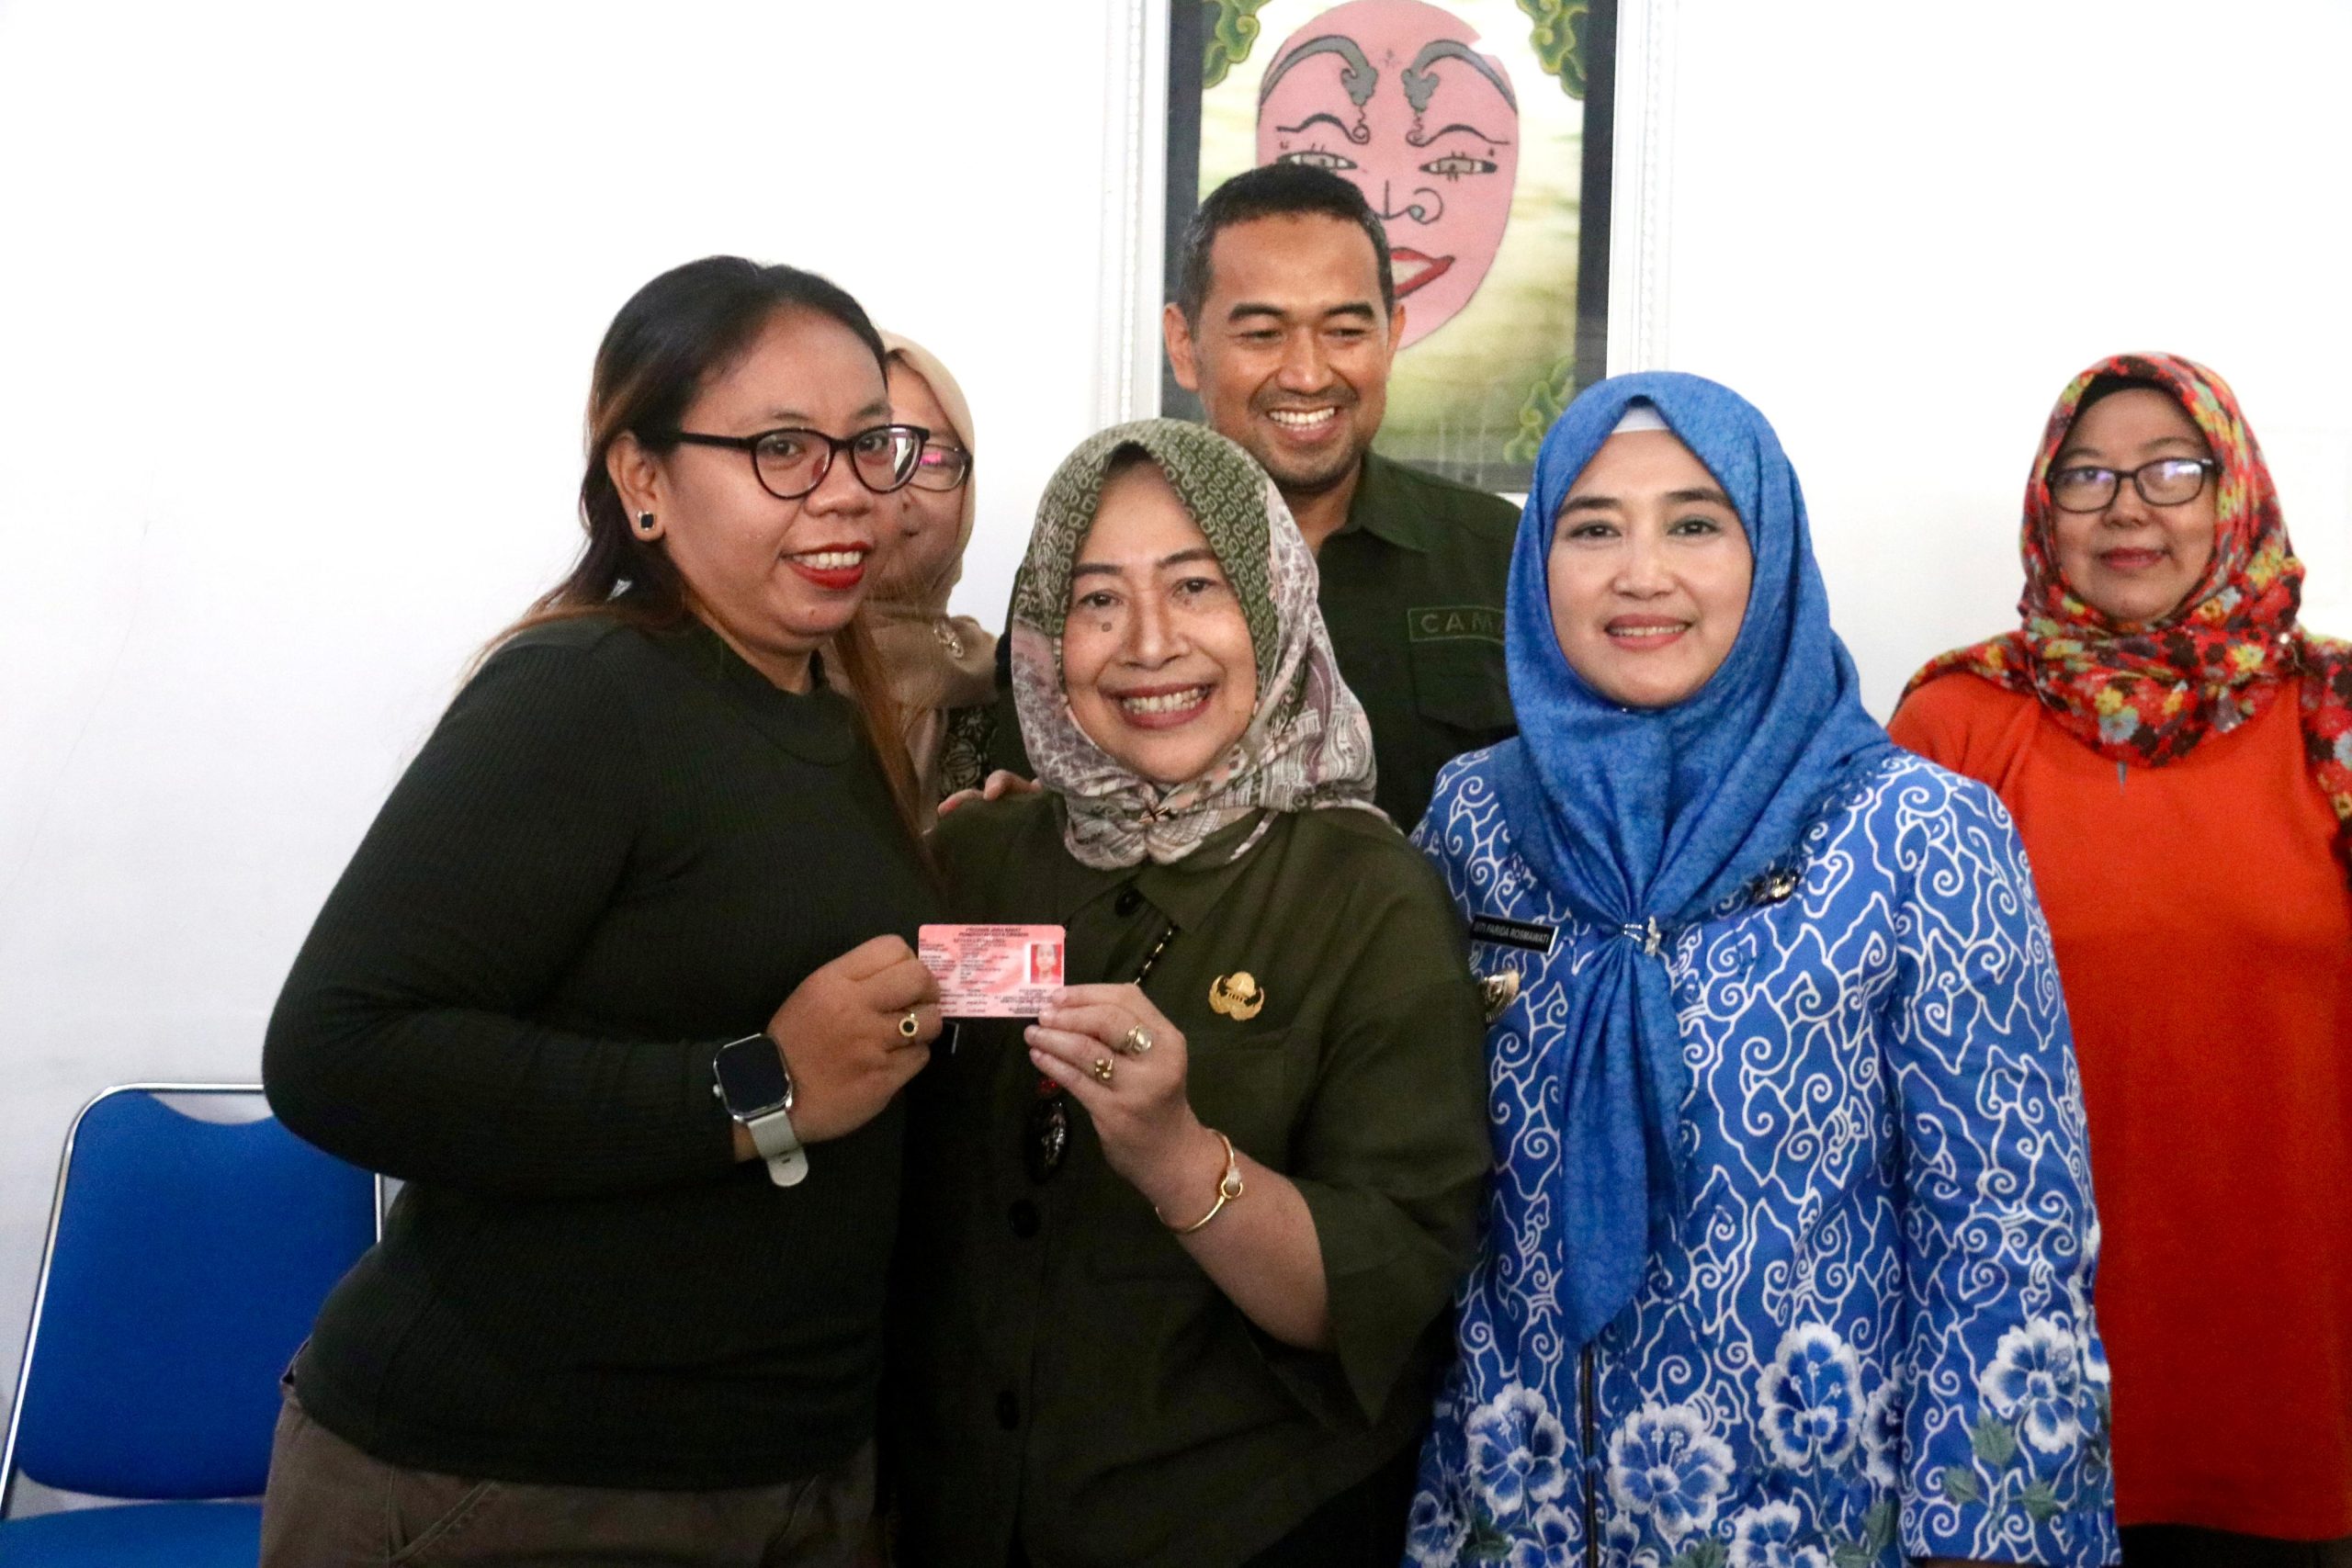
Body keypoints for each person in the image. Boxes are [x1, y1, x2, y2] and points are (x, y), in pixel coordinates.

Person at [257, 257, 944, 1567]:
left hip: (786, 1473)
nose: (848, 489)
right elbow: (336, 1052)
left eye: (871, 441)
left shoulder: (825, 696)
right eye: (782, 449)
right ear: (643, 481)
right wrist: (759, 1084)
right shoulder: (586, 693)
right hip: (521, 1480)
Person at [1407, 374, 2117, 1567]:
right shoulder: (1475, 818)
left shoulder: (1915, 834)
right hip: (1511, 1512)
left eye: (1694, 523)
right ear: (1537, 564)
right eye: (1593, 528)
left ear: (1770, 553)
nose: (1641, 573)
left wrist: (1987, 1534)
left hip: (1810, 1523)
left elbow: (2006, 1226)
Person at [892, 419, 1491, 1567]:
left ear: (1272, 606)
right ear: (1046, 632)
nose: (1149, 643)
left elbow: (1382, 1286)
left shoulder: (1370, 896)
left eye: (1195, 586)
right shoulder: (977, 860)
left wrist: (1177, 1157)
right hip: (955, 1513)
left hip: (1243, 1525)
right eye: (1097, 599)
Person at [1889, 353, 2352, 1567]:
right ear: (2046, 505)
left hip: (2291, 1363)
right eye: (2088, 476)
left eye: (2170, 471)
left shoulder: (2334, 717)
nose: (2127, 508)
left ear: (2233, 491)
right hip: (2016, 1366)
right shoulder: (1956, 721)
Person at [989, 164, 1518, 830]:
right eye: (1263, 334)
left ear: (1391, 335)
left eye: (1345, 331)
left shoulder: (1499, 556)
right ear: (1185, 345)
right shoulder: (1087, 561)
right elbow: (1039, 795)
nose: (1307, 374)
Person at [872, 330, 999, 815]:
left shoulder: (1019, 687)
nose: (894, 492)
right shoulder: (742, 675)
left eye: (930, 459)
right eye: (872, 449)